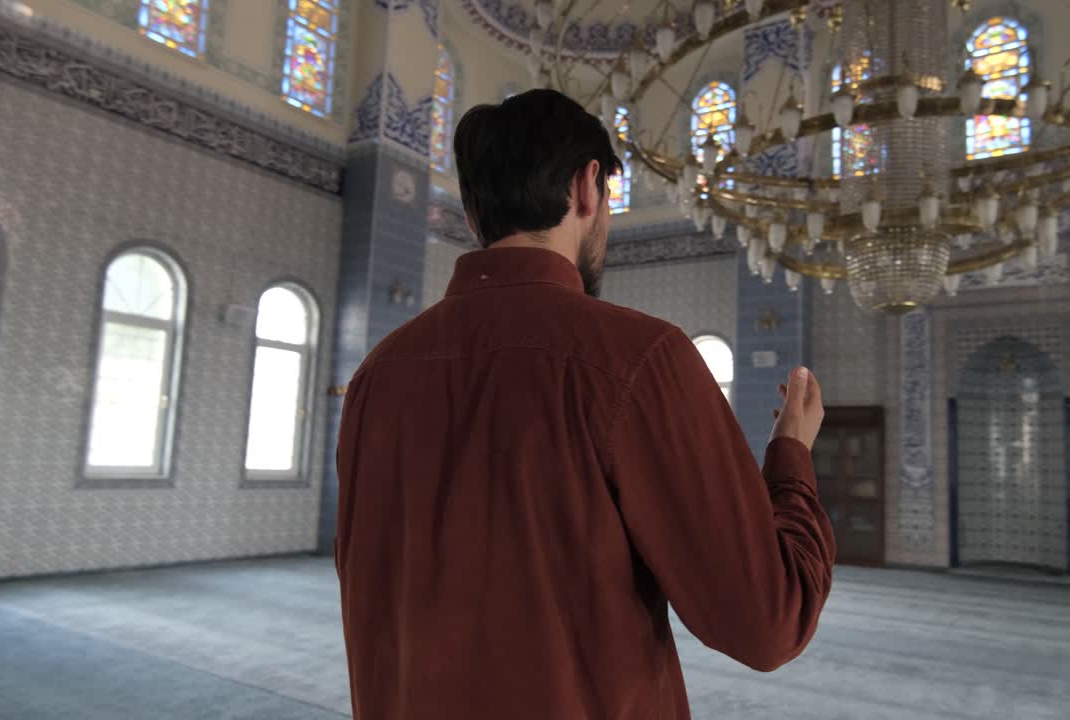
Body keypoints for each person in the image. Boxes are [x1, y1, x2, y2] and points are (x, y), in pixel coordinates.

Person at [334, 88, 835, 720]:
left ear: (471, 213)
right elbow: (768, 621)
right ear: (588, 186)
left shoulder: (378, 374)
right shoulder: (639, 357)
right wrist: (791, 462)